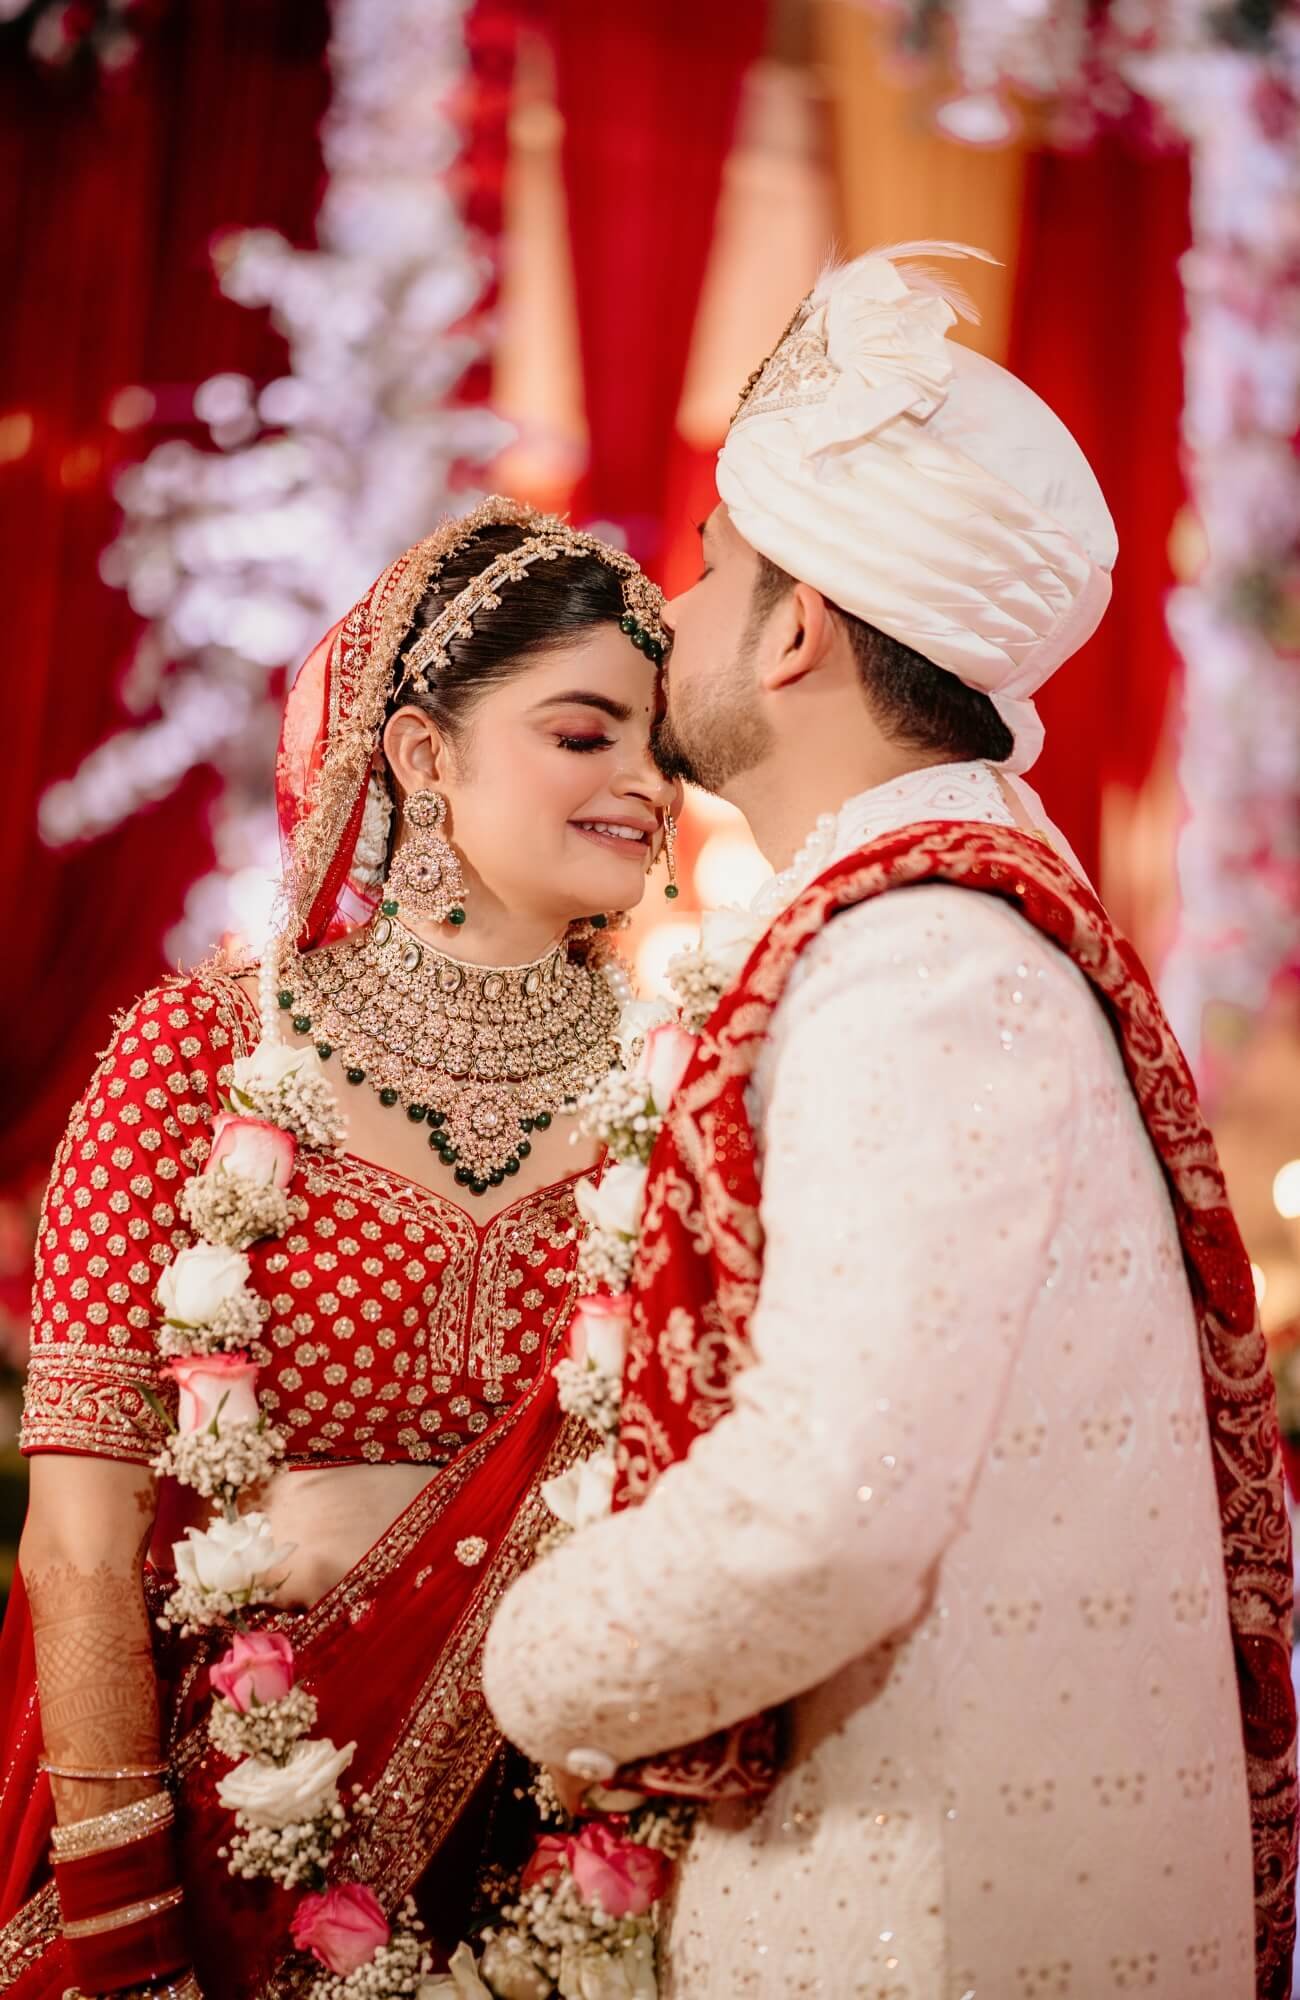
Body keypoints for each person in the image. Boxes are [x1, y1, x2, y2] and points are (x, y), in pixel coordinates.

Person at [482, 252, 1298, 1997]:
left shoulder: (916, 960)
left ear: (796, 630)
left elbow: (823, 1517)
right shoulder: (941, 923)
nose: (673, 612)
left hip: (917, 1922)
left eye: (710, 567)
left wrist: (524, 1665)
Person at [0, 497, 679, 2000]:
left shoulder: (685, 1087)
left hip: (585, 1864)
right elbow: (81, 1532)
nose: (647, 783)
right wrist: (121, 1918)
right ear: (424, 754)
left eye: (664, 746)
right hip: (223, 1839)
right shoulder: (201, 1054)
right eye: (587, 735)